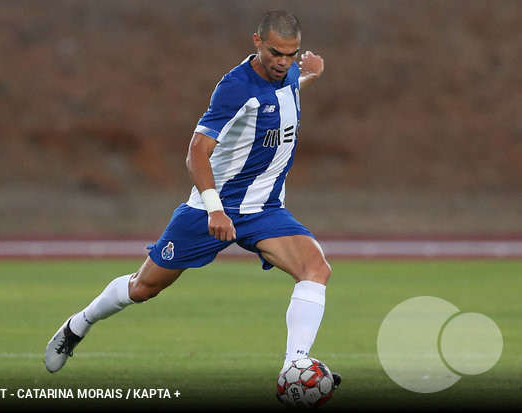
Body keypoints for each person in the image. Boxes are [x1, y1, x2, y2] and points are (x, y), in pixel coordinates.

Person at [45, 9, 340, 390]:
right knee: (143, 287)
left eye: (290, 53)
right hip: (211, 209)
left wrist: (311, 72)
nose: (283, 62)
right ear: (256, 42)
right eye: (275, 53)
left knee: (316, 269)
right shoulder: (236, 88)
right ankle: (77, 325)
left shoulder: (290, 75)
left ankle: (294, 366)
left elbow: (291, 87)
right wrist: (216, 210)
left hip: (265, 210)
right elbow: (196, 154)